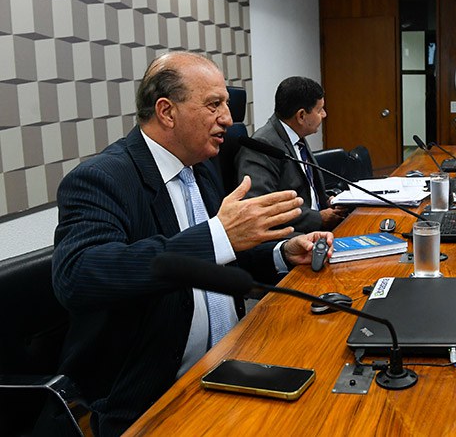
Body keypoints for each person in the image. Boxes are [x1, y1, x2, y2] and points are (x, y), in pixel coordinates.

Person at [52, 52, 333, 436]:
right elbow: (79, 275)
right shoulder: (101, 178)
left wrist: (281, 253)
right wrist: (219, 235)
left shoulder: (200, 168)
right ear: (167, 112)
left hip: (233, 361)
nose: (228, 120)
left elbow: (221, 254)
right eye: (214, 105)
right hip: (153, 394)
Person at [235, 76, 349, 232]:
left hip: (319, 227)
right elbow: (262, 207)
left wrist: (329, 200)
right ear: (301, 116)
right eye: (319, 110)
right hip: (296, 237)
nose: (324, 114)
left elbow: (306, 187)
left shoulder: (296, 135)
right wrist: (319, 218)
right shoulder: (262, 146)